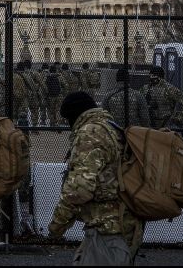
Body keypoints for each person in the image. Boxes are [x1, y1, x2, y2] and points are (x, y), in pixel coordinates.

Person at [49, 92, 144, 265]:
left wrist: (57, 224)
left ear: (75, 115)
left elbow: (79, 189)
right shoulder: (110, 127)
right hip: (121, 222)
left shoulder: (90, 133)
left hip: (108, 229)